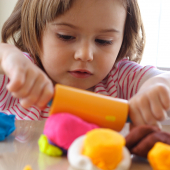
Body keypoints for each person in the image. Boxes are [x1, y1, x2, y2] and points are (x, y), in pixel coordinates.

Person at [0, 0, 169, 128]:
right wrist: (8, 56)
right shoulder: (16, 78)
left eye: (104, 41)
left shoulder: (121, 78)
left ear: (122, 41)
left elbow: (164, 79)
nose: (85, 55)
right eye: (66, 36)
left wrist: (158, 88)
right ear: (35, 31)